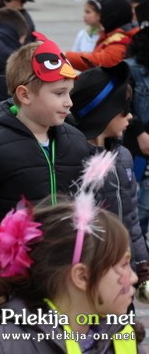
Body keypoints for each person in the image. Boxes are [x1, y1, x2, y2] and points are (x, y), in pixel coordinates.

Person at [0, 33, 91, 319]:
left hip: (57, 277)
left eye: (69, 92)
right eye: (59, 93)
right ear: (24, 95)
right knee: (8, 340)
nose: (69, 102)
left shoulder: (75, 142)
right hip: (1, 282)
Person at [0, 196, 143, 352]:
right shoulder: (5, 347)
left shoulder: (121, 336)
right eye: (124, 265)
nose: (134, 278)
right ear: (82, 277)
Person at [69, 62, 149, 284]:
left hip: (124, 267)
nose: (130, 116)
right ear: (104, 114)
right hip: (93, 272)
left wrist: (142, 261)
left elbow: (131, 218)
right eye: (124, 109)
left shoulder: (123, 156)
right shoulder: (73, 159)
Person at [125, 0, 149, 242]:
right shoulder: (131, 68)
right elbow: (125, 106)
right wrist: (141, 132)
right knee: (136, 209)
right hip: (136, 146)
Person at [66, 0, 139, 71]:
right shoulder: (114, 34)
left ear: (113, 16)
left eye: (105, 14)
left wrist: (67, 56)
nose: (101, 18)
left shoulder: (121, 40)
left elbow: (101, 62)